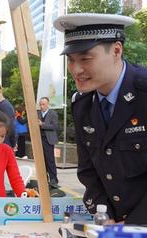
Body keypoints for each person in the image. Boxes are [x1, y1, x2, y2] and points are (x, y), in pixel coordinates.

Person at [53, 13, 147, 224]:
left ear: (116, 50)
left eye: (85, 59)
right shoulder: (82, 104)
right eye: (71, 60)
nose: (76, 70)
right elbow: (87, 171)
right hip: (113, 229)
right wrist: (104, 216)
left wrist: (134, 224)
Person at [37, 97, 59, 187]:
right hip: (39, 140)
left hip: (48, 140)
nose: (42, 106)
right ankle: (44, 179)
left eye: (43, 104)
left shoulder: (53, 113)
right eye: (40, 104)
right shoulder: (37, 113)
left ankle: (53, 179)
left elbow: (55, 126)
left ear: (48, 104)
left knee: (50, 160)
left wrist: (43, 124)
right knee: (41, 161)